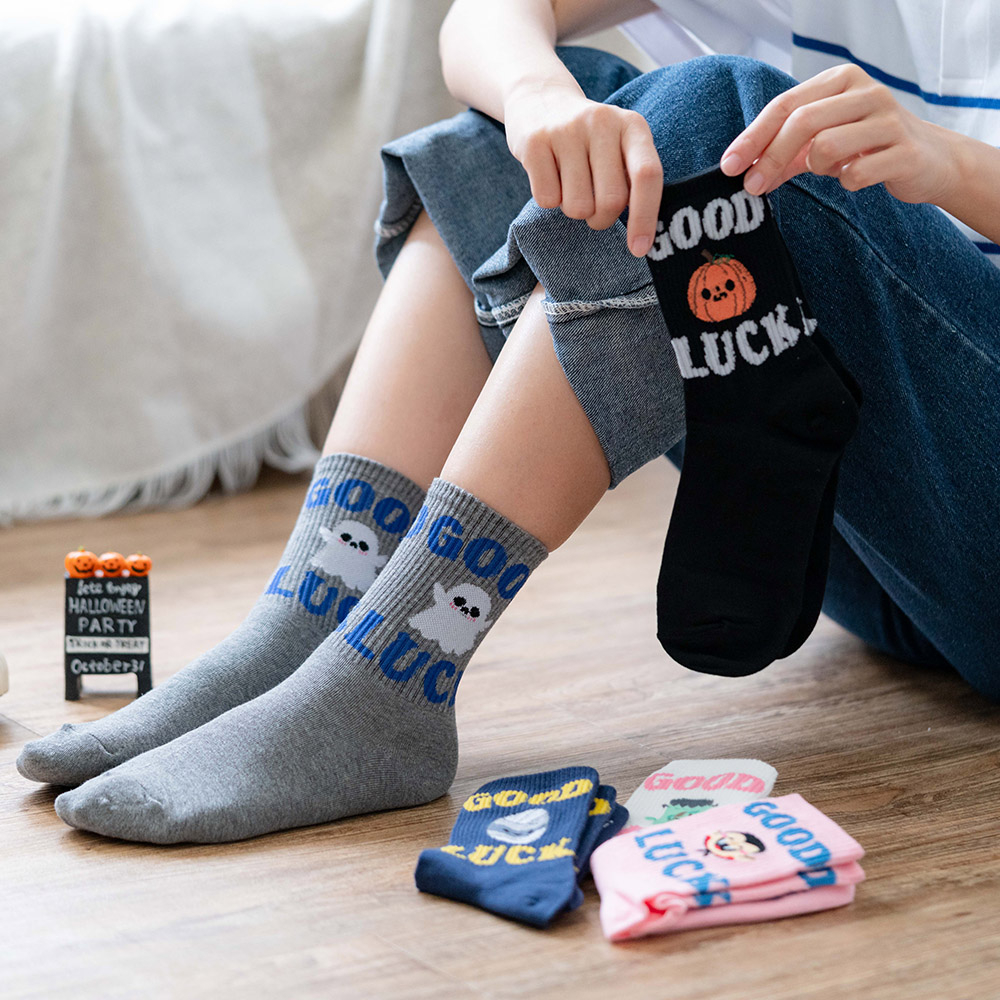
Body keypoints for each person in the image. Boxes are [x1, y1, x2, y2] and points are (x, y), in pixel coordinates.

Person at [18, 0, 1000, 843]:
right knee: (557, 122)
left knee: (710, 117)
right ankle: (306, 621)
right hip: (890, 556)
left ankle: (387, 682)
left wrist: (950, 164)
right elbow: (492, 16)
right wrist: (539, 103)